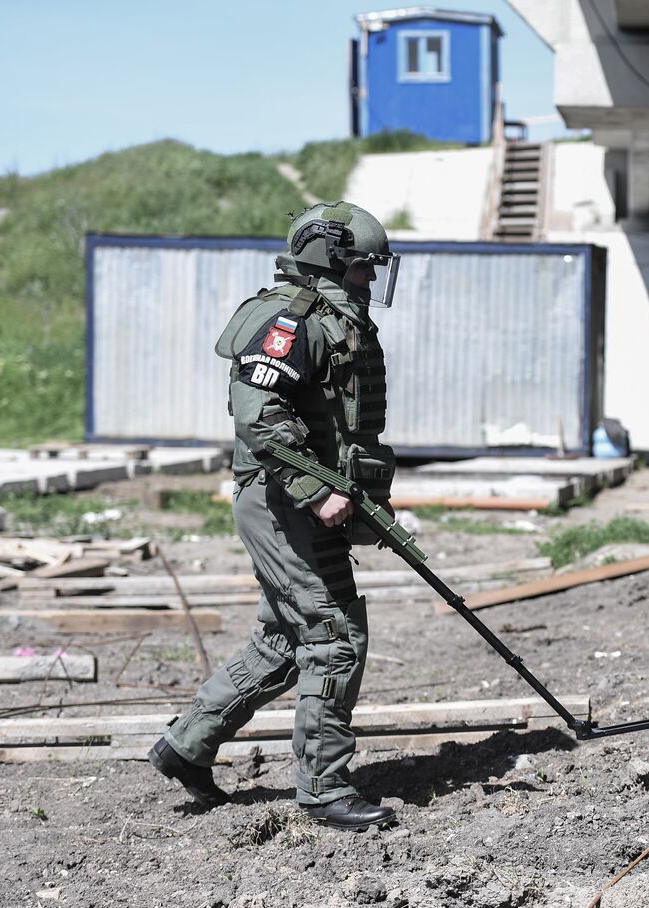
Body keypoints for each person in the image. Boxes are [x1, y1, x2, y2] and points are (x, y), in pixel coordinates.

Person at [149, 202, 401, 829]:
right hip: (282, 498)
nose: (369, 282)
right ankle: (324, 787)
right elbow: (259, 415)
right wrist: (315, 489)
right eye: (363, 269)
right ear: (329, 259)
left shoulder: (331, 318)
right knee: (335, 633)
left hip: (301, 495)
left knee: (286, 639)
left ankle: (187, 745)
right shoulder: (286, 320)